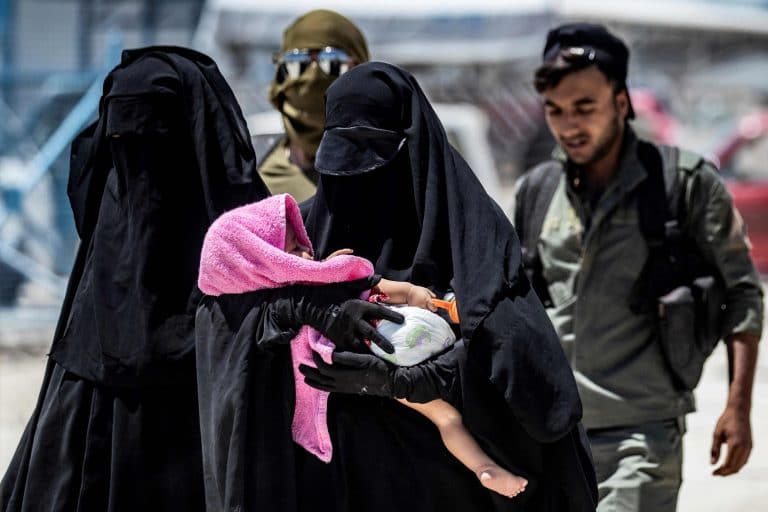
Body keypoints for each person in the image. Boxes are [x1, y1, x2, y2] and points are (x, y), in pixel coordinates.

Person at [0, 47, 394, 512]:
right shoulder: (93, 317)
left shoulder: (244, 258)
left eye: (157, 142)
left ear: (196, 144)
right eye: (124, 145)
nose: (140, 165)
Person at [294, 61, 598, 511]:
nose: (359, 181)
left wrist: (422, 378)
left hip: (452, 486)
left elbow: (519, 353)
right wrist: (315, 312)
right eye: (344, 159)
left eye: (375, 157)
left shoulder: (469, 236)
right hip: (345, 478)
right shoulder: (303, 231)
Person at [512, 23, 764, 512]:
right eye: (555, 110)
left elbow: (743, 295)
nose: (569, 125)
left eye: (585, 107)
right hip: (550, 437)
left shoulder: (683, 184)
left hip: (641, 437)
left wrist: (738, 407)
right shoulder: (536, 192)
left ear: (622, 103)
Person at [196, 194, 528, 502]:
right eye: (292, 249)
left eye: (301, 244)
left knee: (444, 416)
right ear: (262, 260)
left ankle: (483, 468)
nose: (306, 253)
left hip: (385, 356)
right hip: (370, 364)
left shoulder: (323, 274)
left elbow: (377, 285)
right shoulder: (273, 309)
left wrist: (412, 295)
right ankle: (483, 467)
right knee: (445, 416)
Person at [258, 9, 369, 202]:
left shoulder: (385, 173)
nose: (313, 76)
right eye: (297, 62)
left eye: (332, 62)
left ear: (359, 68)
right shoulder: (254, 175)